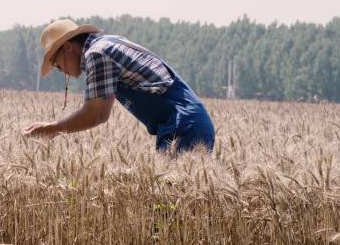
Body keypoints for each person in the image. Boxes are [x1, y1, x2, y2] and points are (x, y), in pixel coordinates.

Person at [22, 19, 215, 154]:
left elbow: (94, 115)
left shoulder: (97, 54)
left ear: (68, 47)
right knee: (172, 209)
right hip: (186, 123)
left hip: (182, 124)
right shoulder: (107, 44)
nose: (61, 71)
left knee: (170, 208)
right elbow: (100, 113)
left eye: (56, 64)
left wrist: (50, 129)